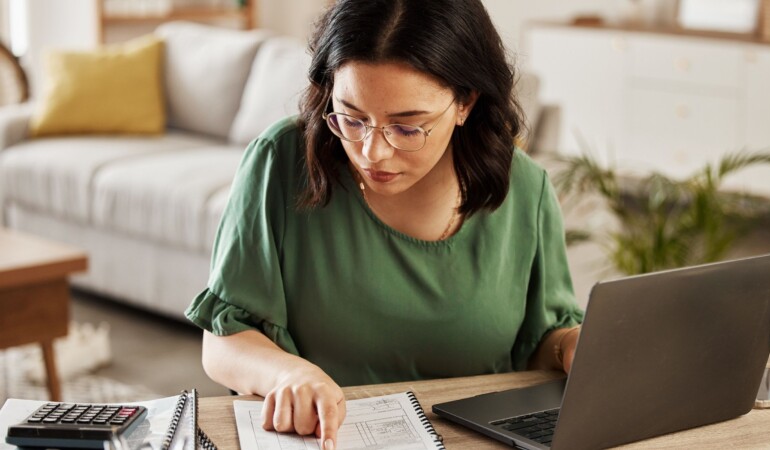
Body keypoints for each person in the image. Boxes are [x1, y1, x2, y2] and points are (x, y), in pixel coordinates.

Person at [185, 1, 584, 449]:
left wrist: (573, 346)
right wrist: (287, 373)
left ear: (465, 103)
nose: (372, 152)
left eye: (407, 127)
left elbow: (543, 338)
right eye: (352, 118)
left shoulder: (525, 190)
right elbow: (222, 341)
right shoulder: (281, 162)